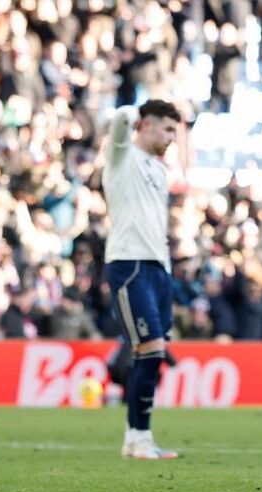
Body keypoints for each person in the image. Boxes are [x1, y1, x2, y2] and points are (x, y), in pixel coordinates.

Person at [102, 99, 181, 460]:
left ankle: (136, 438)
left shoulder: (159, 170)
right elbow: (119, 121)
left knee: (150, 353)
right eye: (167, 129)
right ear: (146, 125)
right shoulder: (122, 156)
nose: (171, 137)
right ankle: (138, 437)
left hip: (157, 268)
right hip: (129, 263)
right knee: (150, 350)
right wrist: (136, 111)